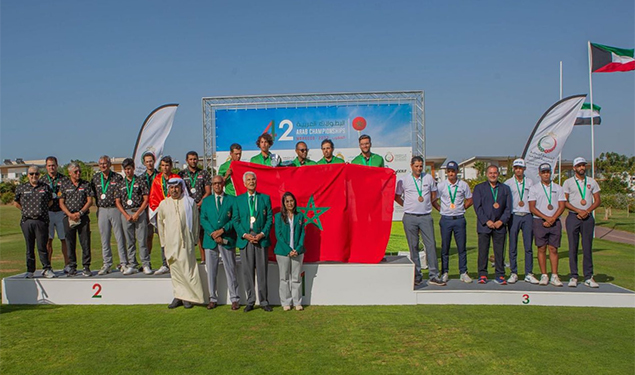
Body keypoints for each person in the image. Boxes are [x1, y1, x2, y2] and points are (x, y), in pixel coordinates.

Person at [395, 156, 446, 287]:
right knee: (413, 247)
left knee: (430, 245)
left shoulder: (428, 178)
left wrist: (427, 203)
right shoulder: (404, 180)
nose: (418, 168)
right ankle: (417, 276)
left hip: (425, 216)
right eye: (416, 166)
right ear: (411, 166)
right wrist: (407, 205)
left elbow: (434, 194)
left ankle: (434, 275)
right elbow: (396, 196)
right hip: (410, 217)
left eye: (420, 166)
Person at [156, 177, 205, 309]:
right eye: (171, 188)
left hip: (186, 242)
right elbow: (160, 225)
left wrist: (195, 239)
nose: (174, 190)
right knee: (175, 270)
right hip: (171, 243)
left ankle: (189, 297)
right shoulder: (163, 204)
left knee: (188, 269)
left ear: (181, 188)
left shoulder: (189, 203)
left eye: (176, 187)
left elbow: (195, 222)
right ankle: (179, 297)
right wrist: (163, 243)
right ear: (169, 189)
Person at [200, 175, 240, 310]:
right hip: (210, 240)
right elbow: (203, 219)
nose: (217, 185)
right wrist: (213, 233)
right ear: (212, 185)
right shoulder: (206, 201)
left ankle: (234, 298)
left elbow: (235, 219)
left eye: (219, 183)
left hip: (226, 238)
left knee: (231, 269)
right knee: (211, 271)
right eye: (214, 183)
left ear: (223, 184)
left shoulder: (232, 200)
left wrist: (222, 230)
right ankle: (212, 298)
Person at [234, 171, 273, 312]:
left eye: (253, 179)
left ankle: (264, 301)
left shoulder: (265, 198)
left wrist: (262, 234)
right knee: (247, 272)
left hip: (260, 239)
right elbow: (235, 220)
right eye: (248, 180)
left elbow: (269, 218)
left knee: (262, 271)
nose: (251, 182)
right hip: (246, 239)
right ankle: (250, 301)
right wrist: (245, 235)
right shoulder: (238, 200)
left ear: (256, 182)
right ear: (244, 183)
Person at [563, 157, 601, 288]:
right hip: (573, 216)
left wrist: (587, 210)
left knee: (587, 247)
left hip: (588, 217)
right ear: (574, 168)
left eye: (583, 165)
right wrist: (578, 210)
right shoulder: (568, 182)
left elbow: (597, 200)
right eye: (579, 166)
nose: (582, 168)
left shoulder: (592, 182)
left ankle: (588, 276)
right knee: (573, 247)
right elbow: (565, 202)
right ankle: (574, 276)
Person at [433, 161, 473, 283]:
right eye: (449, 171)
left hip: (459, 219)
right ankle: (445, 272)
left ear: (457, 172)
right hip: (446, 219)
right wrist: (440, 209)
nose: (451, 173)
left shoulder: (463, 185)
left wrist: (463, 208)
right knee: (445, 247)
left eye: (453, 171)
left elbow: (470, 199)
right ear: (446, 173)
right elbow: (434, 200)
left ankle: (463, 272)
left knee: (461, 247)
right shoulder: (441, 185)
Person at [473, 165, 512, 285]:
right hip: (484, 225)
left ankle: (500, 275)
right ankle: (482, 274)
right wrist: (487, 221)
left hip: (499, 225)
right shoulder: (479, 188)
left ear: (498, 174)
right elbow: (477, 207)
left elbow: (508, 208)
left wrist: (501, 221)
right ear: (486, 174)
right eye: (490, 173)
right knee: (483, 251)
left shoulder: (505, 189)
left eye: (495, 173)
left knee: (499, 252)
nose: (493, 175)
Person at [528, 163, 566, 287]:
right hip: (539, 221)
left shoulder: (558, 188)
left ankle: (554, 275)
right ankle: (544, 274)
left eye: (548, 172)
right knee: (541, 248)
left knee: (553, 248)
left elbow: (562, 206)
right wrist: (546, 218)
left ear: (551, 173)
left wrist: (553, 218)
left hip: (555, 221)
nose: (546, 174)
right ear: (539, 174)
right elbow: (532, 207)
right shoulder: (534, 188)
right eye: (543, 172)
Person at [14, 165, 54, 278]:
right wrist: (26, 210)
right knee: (29, 247)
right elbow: (16, 203)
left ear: (39, 175)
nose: (34, 176)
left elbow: (50, 201)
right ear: (28, 175)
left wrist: (41, 210)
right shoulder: (22, 188)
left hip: (41, 221)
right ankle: (30, 270)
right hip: (27, 221)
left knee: (42, 246)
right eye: (31, 174)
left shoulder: (45, 187)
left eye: (36, 174)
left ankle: (46, 268)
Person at [115, 158, 152, 275]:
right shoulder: (120, 183)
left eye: (129, 169)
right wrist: (125, 214)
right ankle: (132, 264)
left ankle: (146, 264)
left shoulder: (140, 181)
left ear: (133, 168)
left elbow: (146, 199)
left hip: (139, 212)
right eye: (125, 169)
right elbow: (117, 201)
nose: (127, 172)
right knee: (130, 241)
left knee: (142, 240)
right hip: (126, 213)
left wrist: (138, 213)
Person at [504, 158, 538, 284]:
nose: (518, 170)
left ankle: (529, 273)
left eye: (521, 168)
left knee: (528, 246)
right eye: (516, 168)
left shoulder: (530, 182)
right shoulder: (508, 183)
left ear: (524, 169)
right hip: (514, 215)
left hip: (527, 215)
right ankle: (514, 272)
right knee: (513, 245)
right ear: (514, 169)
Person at [92, 155, 127, 275]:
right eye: (101, 164)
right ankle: (107, 263)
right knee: (104, 238)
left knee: (119, 237)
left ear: (109, 164)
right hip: (102, 209)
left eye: (105, 163)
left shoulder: (117, 177)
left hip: (115, 209)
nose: (103, 166)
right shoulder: (96, 178)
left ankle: (123, 263)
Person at [59, 162, 94, 277]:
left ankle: (86, 266)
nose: (78, 173)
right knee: (70, 242)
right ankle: (72, 266)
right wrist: (70, 214)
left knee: (85, 242)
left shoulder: (85, 184)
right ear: (70, 173)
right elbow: (61, 202)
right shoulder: (64, 185)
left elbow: (90, 201)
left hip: (82, 217)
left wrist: (80, 212)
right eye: (76, 172)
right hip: (68, 218)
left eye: (79, 171)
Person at [274, 192, 306, 311]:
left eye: (291, 200)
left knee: (296, 278)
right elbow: (279, 235)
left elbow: (302, 233)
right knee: (284, 278)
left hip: (298, 252)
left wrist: (297, 249)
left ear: (294, 202)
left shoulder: (300, 216)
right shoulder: (278, 217)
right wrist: (288, 250)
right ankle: (286, 302)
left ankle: (297, 302)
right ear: (284, 203)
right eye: (287, 201)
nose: (289, 203)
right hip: (283, 252)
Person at [178, 151, 212, 264]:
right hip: (187, 208)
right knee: (187, 234)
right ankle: (189, 260)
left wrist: (199, 203)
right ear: (187, 160)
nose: (193, 161)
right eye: (191, 159)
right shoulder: (181, 174)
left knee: (202, 234)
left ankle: (204, 259)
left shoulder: (204, 173)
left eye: (195, 159)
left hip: (201, 207)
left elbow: (208, 191)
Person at [148, 156, 179, 275]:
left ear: (171, 166)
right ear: (160, 167)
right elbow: (153, 197)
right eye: (163, 166)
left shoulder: (176, 178)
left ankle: (176, 263)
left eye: (167, 165)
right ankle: (165, 263)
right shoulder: (157, 180)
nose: (165, 168)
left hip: (175, 211)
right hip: (162, 212)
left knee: (176, 238)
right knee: (163, 239)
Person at [44, 156, 69, 271]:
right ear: (46, 167)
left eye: (53, 165)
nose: (51, 167)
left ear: (57, 166)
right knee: (48, 240)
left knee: (64, 239)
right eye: (49, 165)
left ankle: (67, 265)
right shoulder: (42, 180)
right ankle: (48, 266)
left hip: (60, 212)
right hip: (47, 213)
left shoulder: (64, 179)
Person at [141, 151, 159, 258]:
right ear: (144, 163)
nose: (149, 164)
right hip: (146, 209)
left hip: (158, 208)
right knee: (148, 236)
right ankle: (147, 261)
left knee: (162, 236)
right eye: (147, 162)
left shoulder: (160, 176)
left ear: (154, 162)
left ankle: (165, 262)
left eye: (151, 161)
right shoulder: (141, 178)